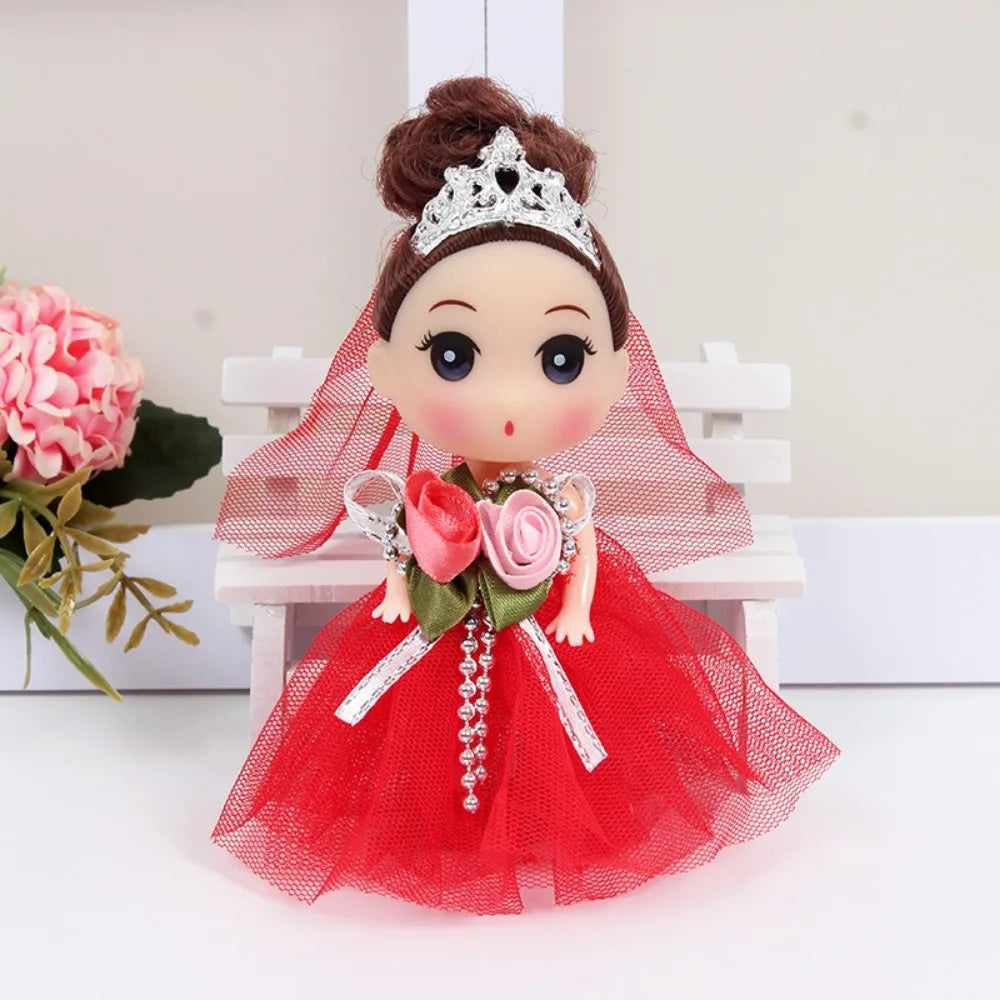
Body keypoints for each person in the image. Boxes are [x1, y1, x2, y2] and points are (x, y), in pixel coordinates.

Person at [213, 77, 839, 915]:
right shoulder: (434, 493)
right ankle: (451, 820)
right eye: (453, 356)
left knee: (566, 709)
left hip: (552, 609)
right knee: (426, 719)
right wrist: (401, 587)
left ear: (616, 370)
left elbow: (581, 548)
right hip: (441, 608)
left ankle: (545, 820)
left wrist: (575, 604)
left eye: (560, 359)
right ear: (384, 367)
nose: (511, 401)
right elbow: (407, 541)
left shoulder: (562, 497)